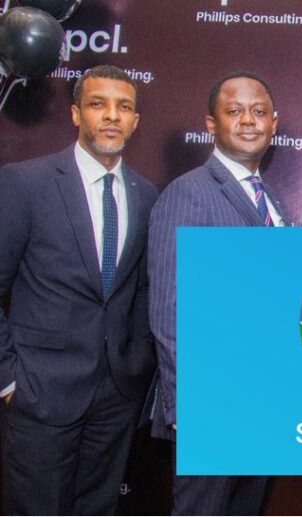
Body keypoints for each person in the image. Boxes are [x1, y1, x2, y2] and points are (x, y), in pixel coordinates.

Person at [0, 65, 157, 514]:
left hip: (115, 397)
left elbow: (141, 290)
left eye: (123, 107)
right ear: (75, 114)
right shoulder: (25, 182)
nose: (111, 116)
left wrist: (136, 364)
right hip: (39, 393)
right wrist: (8, 378)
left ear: (135, 121)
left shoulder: (146, 194)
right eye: (97, 104)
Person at [148, 70, 289, 515]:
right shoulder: (188, 193)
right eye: (234, 111)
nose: (248, 120)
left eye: (259, 111)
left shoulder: (272, 203)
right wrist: (185, 403)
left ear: (273, 124)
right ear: (211, 124)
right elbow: (168, 310)